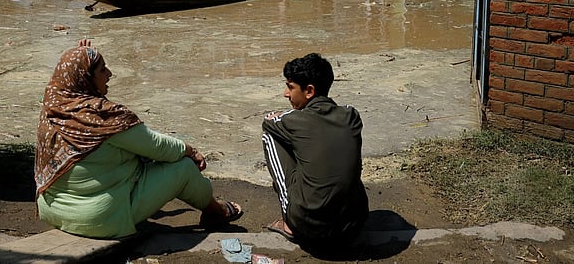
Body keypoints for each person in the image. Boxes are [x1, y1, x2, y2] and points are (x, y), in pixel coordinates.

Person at [34, 38, 243, 239]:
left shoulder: (52, 107)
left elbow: (74, 76)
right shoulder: (106, 118)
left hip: (53, 211)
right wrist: (190, 150)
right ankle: (217, 212)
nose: (110, 74)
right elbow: (158, 147)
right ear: (85, 78)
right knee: (184, 167)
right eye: (102, 70)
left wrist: (81, 57)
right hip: (96, 219)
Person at [261, 53, 369, 248]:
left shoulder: (295, 121)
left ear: (309, 91)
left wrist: (286, 115)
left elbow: (268, 120)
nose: (286, 94)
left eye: (290, 87)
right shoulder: (351, 116)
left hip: (309, 228)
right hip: (353, 226)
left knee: (270, 135)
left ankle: (290, 221)